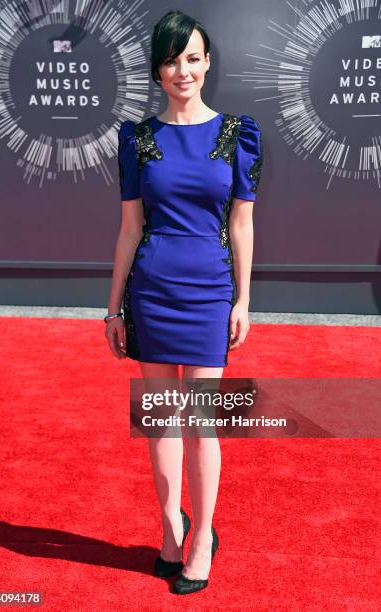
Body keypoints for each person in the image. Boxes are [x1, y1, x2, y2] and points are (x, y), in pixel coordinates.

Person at [105, 10, 263, 595]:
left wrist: (244, 299)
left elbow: (241, 225)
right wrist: (113, 306)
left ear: (207, 63)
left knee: (201, 422)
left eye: (192, 57)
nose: (183, 70)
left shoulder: (236, 135)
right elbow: (128, 228)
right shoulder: (139, 139)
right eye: (171, 60)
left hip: (209, 292)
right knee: (159, 424)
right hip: (151, 290)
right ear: (158, 69)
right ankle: (172, 528)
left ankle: (203, 539)